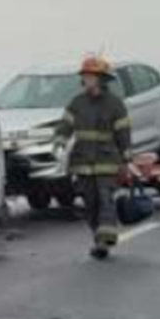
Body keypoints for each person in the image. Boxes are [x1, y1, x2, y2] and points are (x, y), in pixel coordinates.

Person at [54, 55, 135, 260]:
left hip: (107, 161)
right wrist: (60, 139)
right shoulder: (76, 103)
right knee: (90, 204)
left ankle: (104, 241)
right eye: (85, 75)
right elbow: (65, 125)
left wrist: (127, 157)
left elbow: (123, 133)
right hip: (82, 162)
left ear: (102, 79)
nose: (87, 79)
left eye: (92, 75)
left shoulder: (116, 104)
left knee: (105, 199)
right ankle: (98, 237)